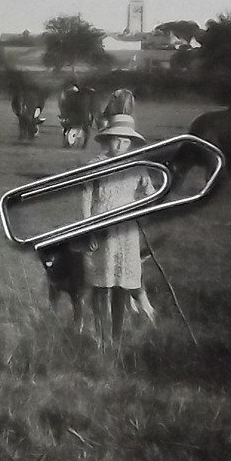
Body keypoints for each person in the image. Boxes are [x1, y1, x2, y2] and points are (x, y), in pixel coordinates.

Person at [81, 113, 151, 348]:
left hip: (127, 230)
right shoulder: (95, 165)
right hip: (102, 228)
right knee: (102, 282)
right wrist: (88, 229)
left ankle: (116, 337)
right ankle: (101, 336)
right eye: (116, 140)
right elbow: (86, 197)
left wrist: (145, 205)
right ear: (107, 140)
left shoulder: (138, 165)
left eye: (126, 140)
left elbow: (149, 192)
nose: (121, 145)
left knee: (122, 283)